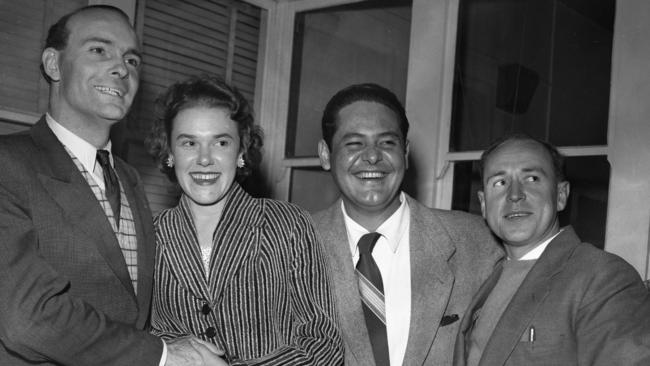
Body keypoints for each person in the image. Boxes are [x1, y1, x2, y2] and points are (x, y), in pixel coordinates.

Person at [0, 5, 223, 365]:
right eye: (99, 50)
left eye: (131, 60)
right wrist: (163, 356)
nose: (121, 68)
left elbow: (129, 312)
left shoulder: (129, 178)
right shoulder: (8, 164)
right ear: (53, 64)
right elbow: (28, 318)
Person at [146, 75, 343, 365]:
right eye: (189, 143)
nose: (204, 159)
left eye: (221, 143)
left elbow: (324, 343)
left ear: (240, 152)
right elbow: (134, 338)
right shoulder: (148, 234)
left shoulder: (288, 225)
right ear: (170, 153)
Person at [311, 83, 503, 366]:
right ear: (326, 154)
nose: (373, 156)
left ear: (406, 152)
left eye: (387, 142)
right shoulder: (290, 247)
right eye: (354, 143)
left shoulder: (479, 243)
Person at [453, 135, 650, 366]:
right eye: (500, 182)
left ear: (561, 195)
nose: (515, 194)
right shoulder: (486, 275)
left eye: (532, 178)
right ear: (484, 204)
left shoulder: (603, 278)